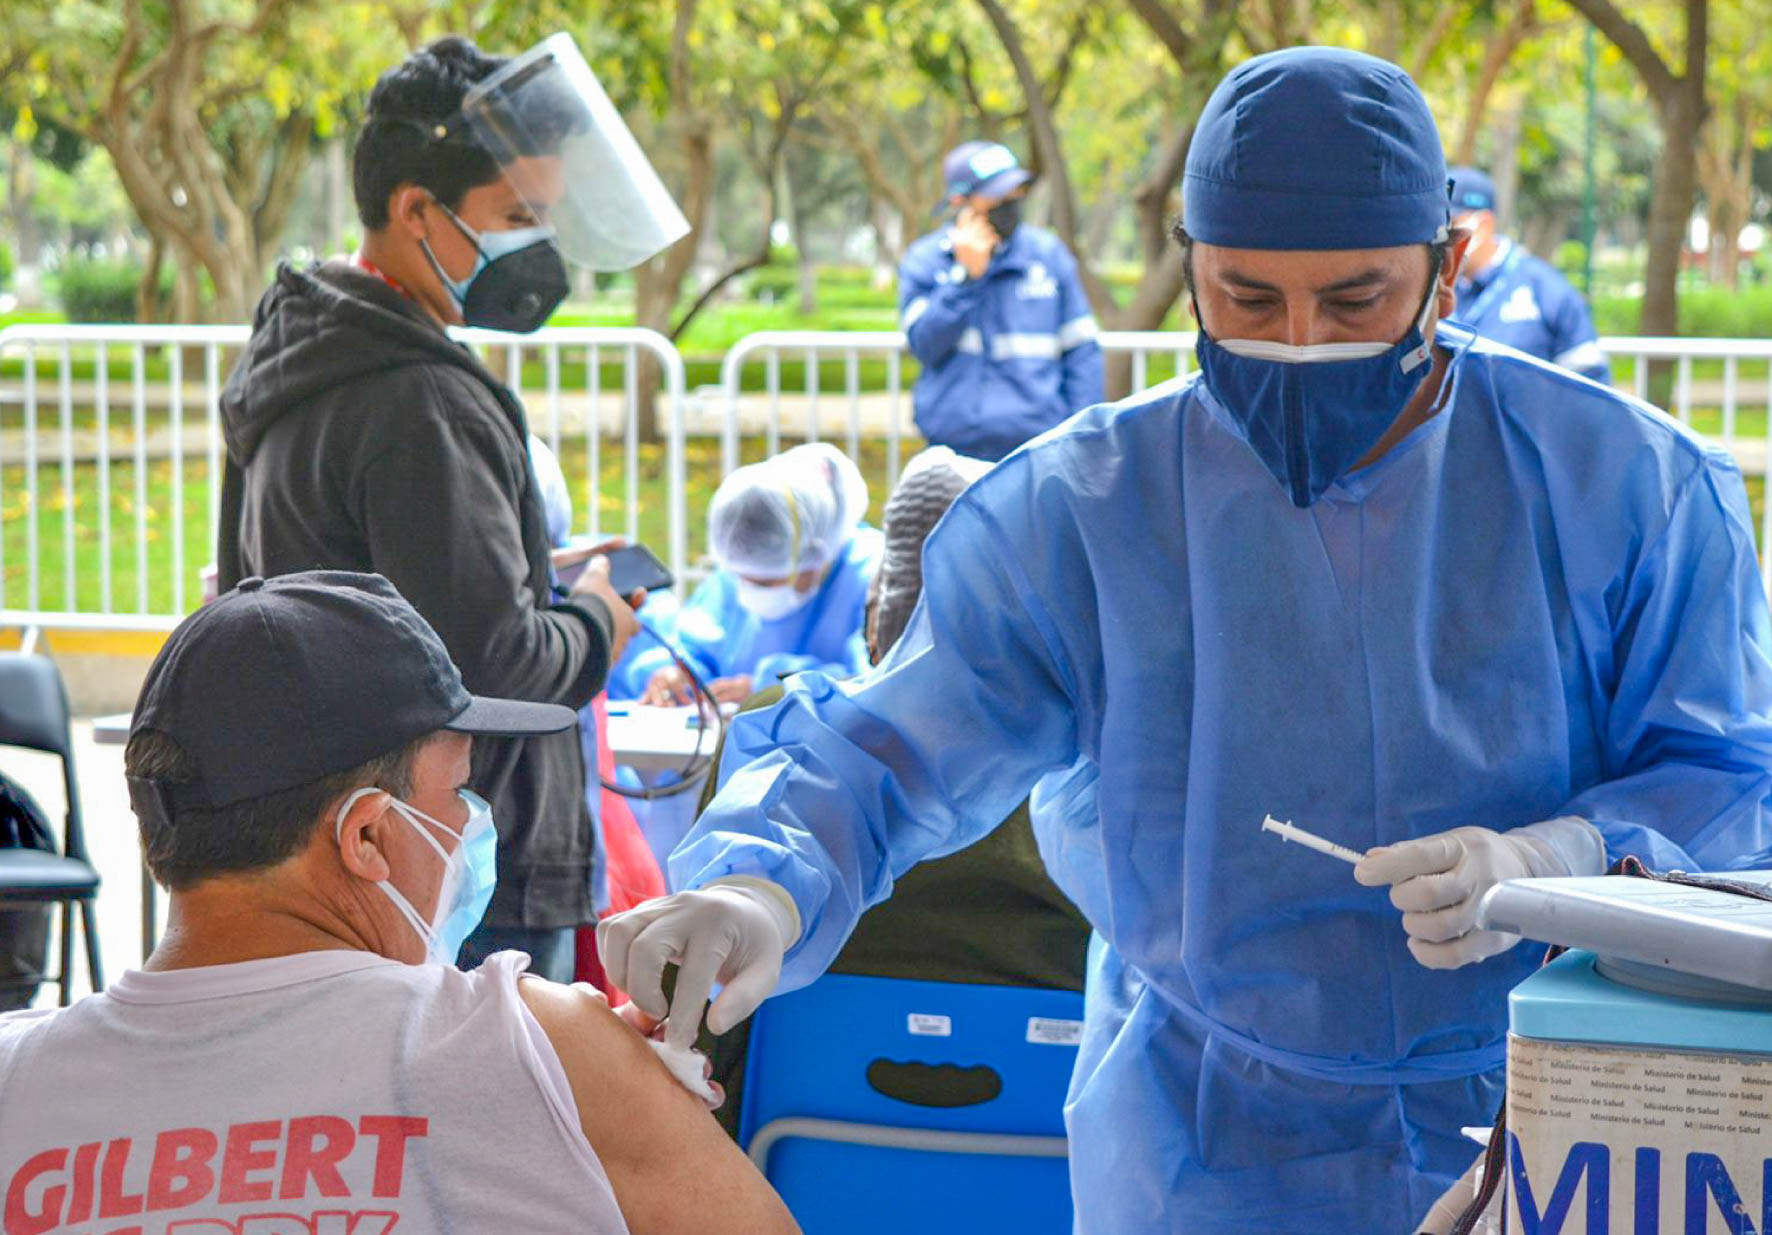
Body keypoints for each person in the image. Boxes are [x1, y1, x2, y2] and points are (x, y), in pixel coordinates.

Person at [598, 47, 1772, 1234]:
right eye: (1246, 299)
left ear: (1445, 270)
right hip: (1195, 1135)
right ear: (1189, 269)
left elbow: (1731, 775)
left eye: (1356, 300)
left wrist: (1561, 858)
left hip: (1562, 1111)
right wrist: (760, 881)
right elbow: (894, 746)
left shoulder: (1625, 488)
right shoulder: (1087, 509)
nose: (1300, 345)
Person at [0, 571, 798, 1234]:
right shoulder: (536, 1046)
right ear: (368, 837)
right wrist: (584, 1090)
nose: (470, 823)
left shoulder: (16, 1080)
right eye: (457, 789)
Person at [216, 34, 687, 980]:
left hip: (347, 855)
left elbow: (377, 590)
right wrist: (596, 615)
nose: (537, 244)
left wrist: (526, 575)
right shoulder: (419, 398)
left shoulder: (305, 356)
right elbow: (493, 666)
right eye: (516, 215)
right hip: (469, 872)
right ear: (415, 210)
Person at [694, 446, 1091, 1137]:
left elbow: (693, 1009)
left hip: (785, 1174)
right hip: (1048, 1177)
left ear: (876, 619)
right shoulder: (1088, 779)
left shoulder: (777, 734)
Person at [615, 444, 883, 707]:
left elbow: (875, 684)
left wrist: (773, 690)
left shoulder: (871, 577)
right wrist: (678, 674)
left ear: (816, 554)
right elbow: (696, 645)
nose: (748, 590)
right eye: (740, 576)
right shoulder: (734, 575)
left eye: (766, 582)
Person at [898, 141, 1103, 462]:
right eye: (997, 195)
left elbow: (1082, 354)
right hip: (952, 451)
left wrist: (1081, 438)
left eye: (1016, 192)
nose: (1011, 202)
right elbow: (924, 344)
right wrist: (965, 278)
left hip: (1037, 450)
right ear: (959, 202)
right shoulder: (926, 261)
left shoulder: (1047, 256)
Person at [1448, 165, 1611, 383]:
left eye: (1450, 224)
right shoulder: (1431, 290)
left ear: (1484, 225)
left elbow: (1592, 389)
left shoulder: (1546, 290)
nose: (1439, 237)